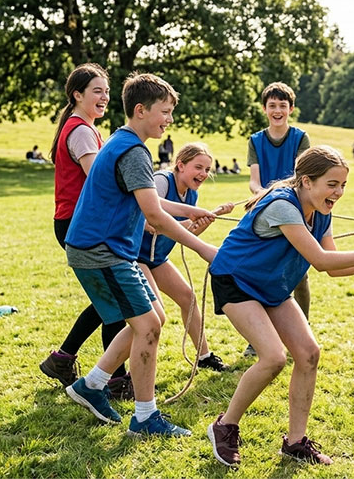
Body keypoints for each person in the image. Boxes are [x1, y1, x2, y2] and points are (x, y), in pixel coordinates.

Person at [207, 146, 354, 466]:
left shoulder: (321, 212)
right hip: (236, 280)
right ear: (307, 182)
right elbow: (321, 261)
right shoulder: (283, 205)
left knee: (308, 354)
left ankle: (295, 443)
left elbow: (333, 267)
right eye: (332, 184)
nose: (338, 192)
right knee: (272, 358)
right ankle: (225, 426)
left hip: (272, 285)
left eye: (342, 185)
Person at [64, 72, 218, 437]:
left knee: (152, 317)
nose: (169, 119)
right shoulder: (134, 152)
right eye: (164, 112)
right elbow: (154, 216)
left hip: (108, 250)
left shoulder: (123, 142)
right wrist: (203, 248)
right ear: (140, 110)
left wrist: (190, 210)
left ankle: (92, 384)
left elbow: (151, 201)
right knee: (148, 325)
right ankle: (146, 418)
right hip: (101, 251)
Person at [40, 64, 139, 399]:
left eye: (107, 91)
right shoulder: (81, 131)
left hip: (83, 223)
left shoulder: (86, 128)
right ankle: (114, 379)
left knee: (109, 299)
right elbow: (101, 179)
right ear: (77, 95)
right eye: (97, 91)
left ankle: (64, 359)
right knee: (115, 301)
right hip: (79, 223)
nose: (104, 97)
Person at [137, 143, 234, 374]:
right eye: (198, 167)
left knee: (188, 299)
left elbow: (187, 234)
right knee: (152, 315)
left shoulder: (192, 193)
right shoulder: (162, 181)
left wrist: (210, 217)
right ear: (180, 165)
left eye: (207, 169)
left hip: (157, 258)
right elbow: (149, 221)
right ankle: (127, 372)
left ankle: (204, 356)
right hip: (135, 255)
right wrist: (198, 218)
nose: (204, 173)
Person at [244, 82, 311, 357]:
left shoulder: (300, 138)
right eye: (272, 105)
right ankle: (257, 338)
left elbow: (300, 175)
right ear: (264, 109)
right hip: (265, 212)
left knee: (299, 275)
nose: (277, 110)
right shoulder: (255, 140)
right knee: (261, 274)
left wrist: (279, 195)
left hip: (295, 209)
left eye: (282, 105)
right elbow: (254, 181)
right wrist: (264, 194)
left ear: (291, 109)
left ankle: (303, 331)